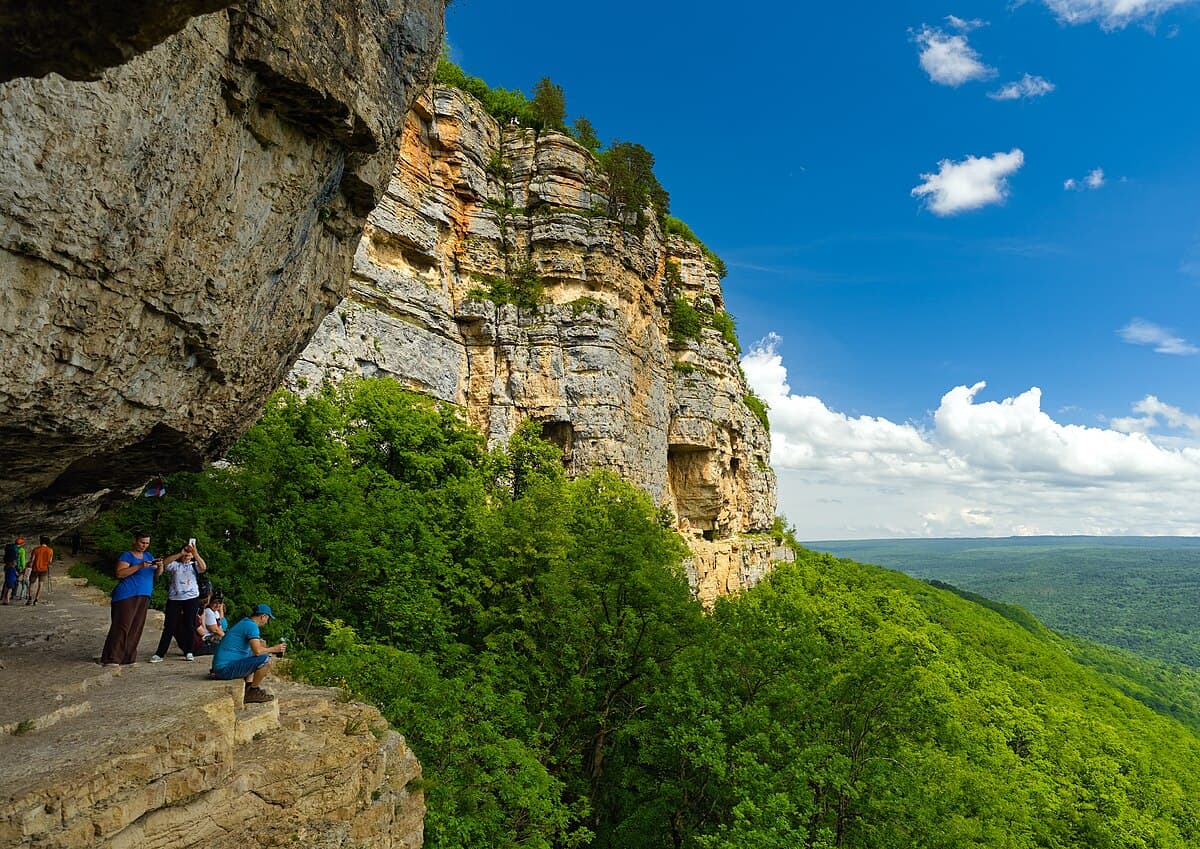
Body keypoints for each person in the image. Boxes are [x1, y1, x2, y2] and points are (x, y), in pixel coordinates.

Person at [100, 531, 179, 666]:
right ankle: (112, 657)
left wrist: (160, 567)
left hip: (144, 594)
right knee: (122, 626)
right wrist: (139, 566)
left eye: (147, 543)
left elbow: (157, 574)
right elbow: (120, 573)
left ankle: (128, 657)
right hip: (127, 594)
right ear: (135, 541)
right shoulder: (127, 555)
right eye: (142, 542)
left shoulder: (148, 556)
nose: (144, 545)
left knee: (136, 627)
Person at [210, 603, 286, 703]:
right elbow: (258, 651)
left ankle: (248, 687)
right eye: (267, 618)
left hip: (220, 667)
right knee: (265, 659)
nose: (267, 621)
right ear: (263, 616)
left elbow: (255, 650)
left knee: (254, 655)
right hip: (224, 669)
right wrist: (274, 649)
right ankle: (252, 691)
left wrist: (270, 650)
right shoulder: (252, 626)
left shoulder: (245, 622)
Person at [150, 542, 207, 662]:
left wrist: (195, 553)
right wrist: (180, 554)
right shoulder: (175, 565)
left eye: (189, 554)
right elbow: (165, 563)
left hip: (192, 598)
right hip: (174, 599)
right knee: (169, 626)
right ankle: (160, 653)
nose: (187, 555)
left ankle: (189, 651)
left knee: (189, 625)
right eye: (185, 553)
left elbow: (203, 567)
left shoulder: (194, 565)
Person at [194, 592, 227, 656]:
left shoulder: (215, 612)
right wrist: (228, 638)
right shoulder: (208, 611)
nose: (217, 605)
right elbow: (215, 630)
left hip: (213, 638)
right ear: (210, 602)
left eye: (220, 603)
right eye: (215, 603)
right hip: (207, 640)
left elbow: (219, 628)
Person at [25, 535, 53, 605]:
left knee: (31, 583)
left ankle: (30, 598)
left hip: (35, 569)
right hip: (44, 569)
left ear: (41, 541)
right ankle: (36, 600)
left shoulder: (36, 549)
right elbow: (50, 561)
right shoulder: (50, 550)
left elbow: (32, 560)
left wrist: (28, 567)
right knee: (41, 584)